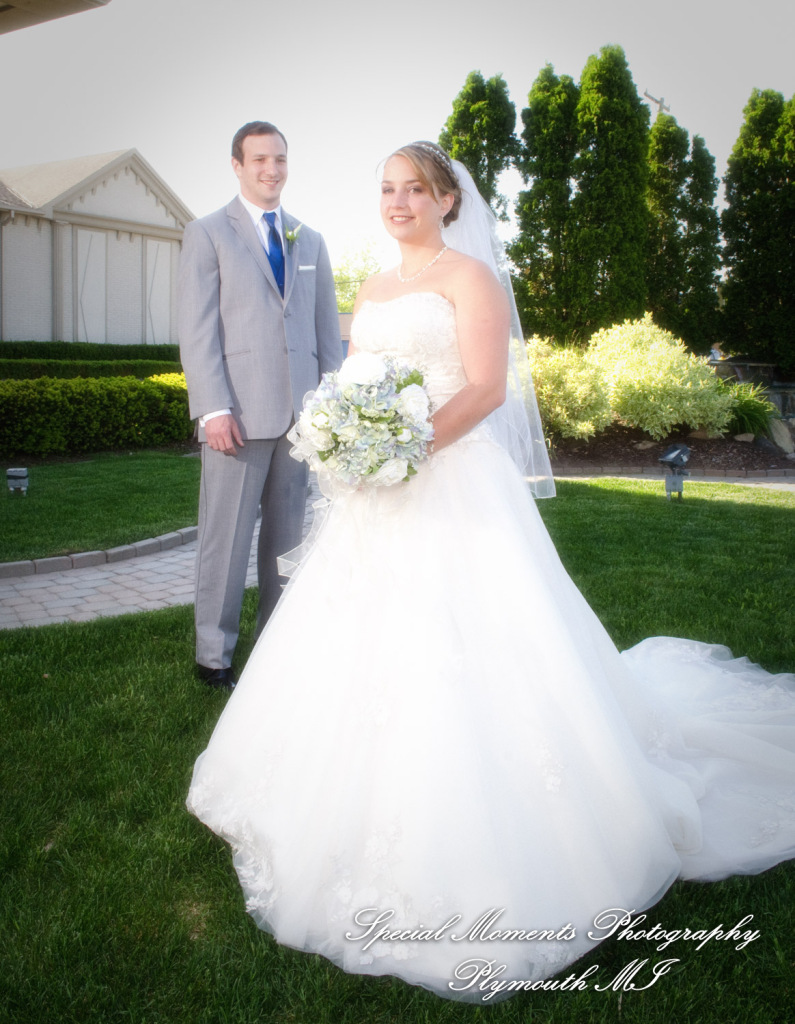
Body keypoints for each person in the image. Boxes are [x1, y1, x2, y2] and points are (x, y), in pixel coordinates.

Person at [187, 141, 795, 1001]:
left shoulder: (469, 279)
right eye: (387, 190)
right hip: (376, 492)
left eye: (414, 190)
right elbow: (357, 380)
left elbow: (484, 390)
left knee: (473, 645)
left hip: (450, 481)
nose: (397, 203)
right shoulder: (371, 287)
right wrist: (350, 442)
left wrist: (405, 447)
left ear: (446, 201)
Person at [178, 121, 342, 690]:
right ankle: (213, 656)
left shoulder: (309, 240)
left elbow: (326, 336)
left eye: (279, 159)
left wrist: (331, 412)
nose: (271, 169)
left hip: (301, 421)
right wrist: (212, 408)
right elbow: (197, 331)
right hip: (237, 419)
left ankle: (276, 646)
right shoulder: (206, 234)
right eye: (259, 160)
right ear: (237, 164)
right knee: (224, 541)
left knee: (287, 540)